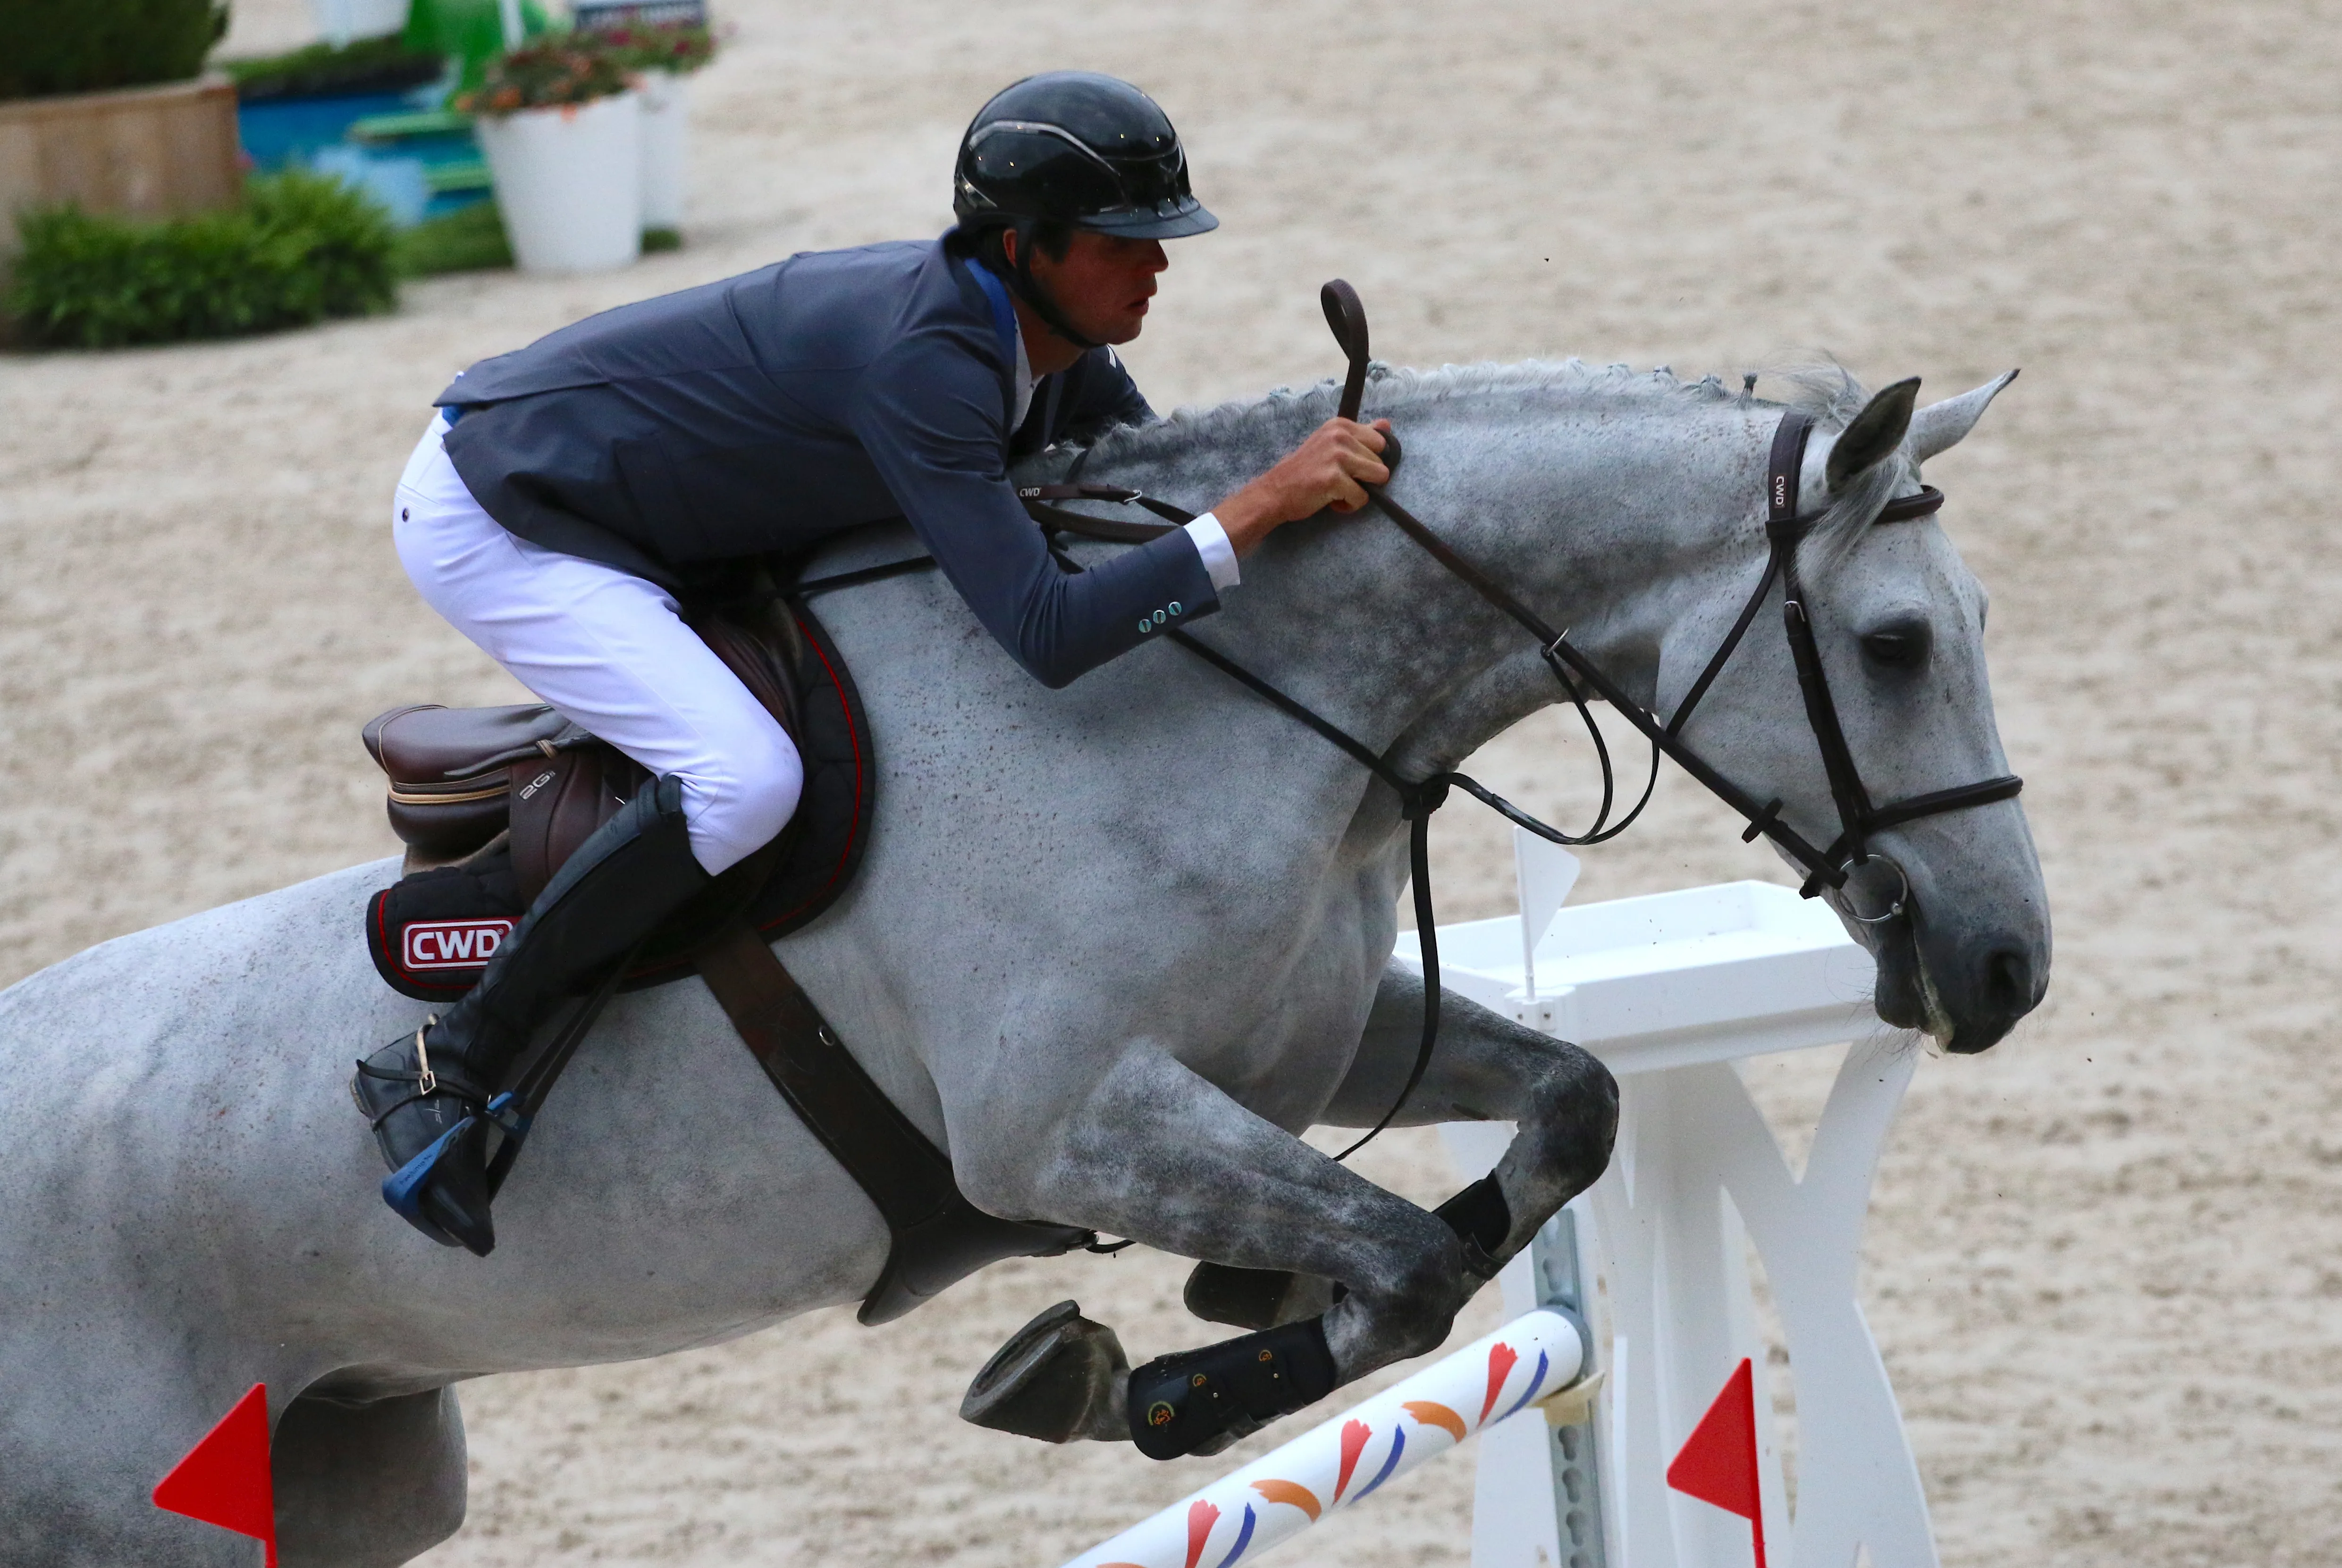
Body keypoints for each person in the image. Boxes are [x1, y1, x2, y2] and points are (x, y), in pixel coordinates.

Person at [352, 71, 1394, 1256]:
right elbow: (1050, 633)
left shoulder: (1058, 346)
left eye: (1160, 241)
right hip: (508, 515)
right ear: (1025, 246)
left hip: (650, 489)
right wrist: (1262, 502)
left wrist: (1296, 508)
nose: (1157, 267)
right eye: (1125, 244)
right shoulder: (932, 361)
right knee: (745, 778)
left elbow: (1145, 510)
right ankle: (450, 1057)